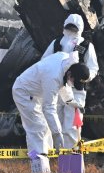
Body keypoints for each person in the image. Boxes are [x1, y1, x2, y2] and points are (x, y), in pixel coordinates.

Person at [12, 52, 90, 173]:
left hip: (36, 93)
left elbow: (64, 85)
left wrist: (71, 101)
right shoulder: (53, 76)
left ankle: (42, 165)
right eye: (74, 82)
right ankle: (40, 172)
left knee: (45, 132)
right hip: (24, 93)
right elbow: (49, 108)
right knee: (38, 129)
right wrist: (58, 134)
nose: (73, 85)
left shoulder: (66, 63)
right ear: (70, 74)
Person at [41, 13, 99, 148]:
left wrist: (84, 76)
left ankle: (71, 160)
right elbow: (44, 61)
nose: (71, 31)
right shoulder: (56, 43)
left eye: (74, 28)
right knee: (55, 123)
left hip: (76, 92)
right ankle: (56, 155)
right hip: (57, 88)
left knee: (72, 127)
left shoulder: (86, 45)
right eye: (69, 27)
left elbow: (93, 68)